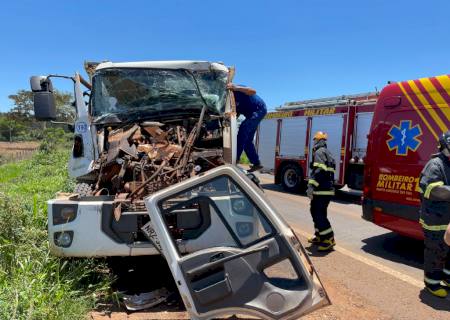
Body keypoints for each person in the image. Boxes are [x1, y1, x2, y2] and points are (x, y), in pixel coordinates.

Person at [419, 130, 450, 298]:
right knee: (435, 252)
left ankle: (447, 277)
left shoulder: (448, 163)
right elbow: (432, 189)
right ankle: (432, 283)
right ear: (444, 146)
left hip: (446, 220)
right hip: (434, 219)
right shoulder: (435, 164)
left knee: (448, 250)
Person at [306, 131, 336, 251]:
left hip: (321, 190)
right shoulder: (327, 152)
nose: (314, 142)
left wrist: (311, 186)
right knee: (316, 212)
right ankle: (320, 235)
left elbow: (319, 170)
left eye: (315, 140)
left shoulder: (319, 152)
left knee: (318, 214)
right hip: (326, 190)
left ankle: (329, 239)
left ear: (318, 141)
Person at [227, 83, 267, 172]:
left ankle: (235, 159)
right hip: (251, 115)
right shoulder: (230, 102)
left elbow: (253, 91)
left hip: (259, 110)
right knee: (247, 140)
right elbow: (235, 115)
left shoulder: (236, 90)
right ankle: (256, 163)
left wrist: (235, 87)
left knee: (243, 129)